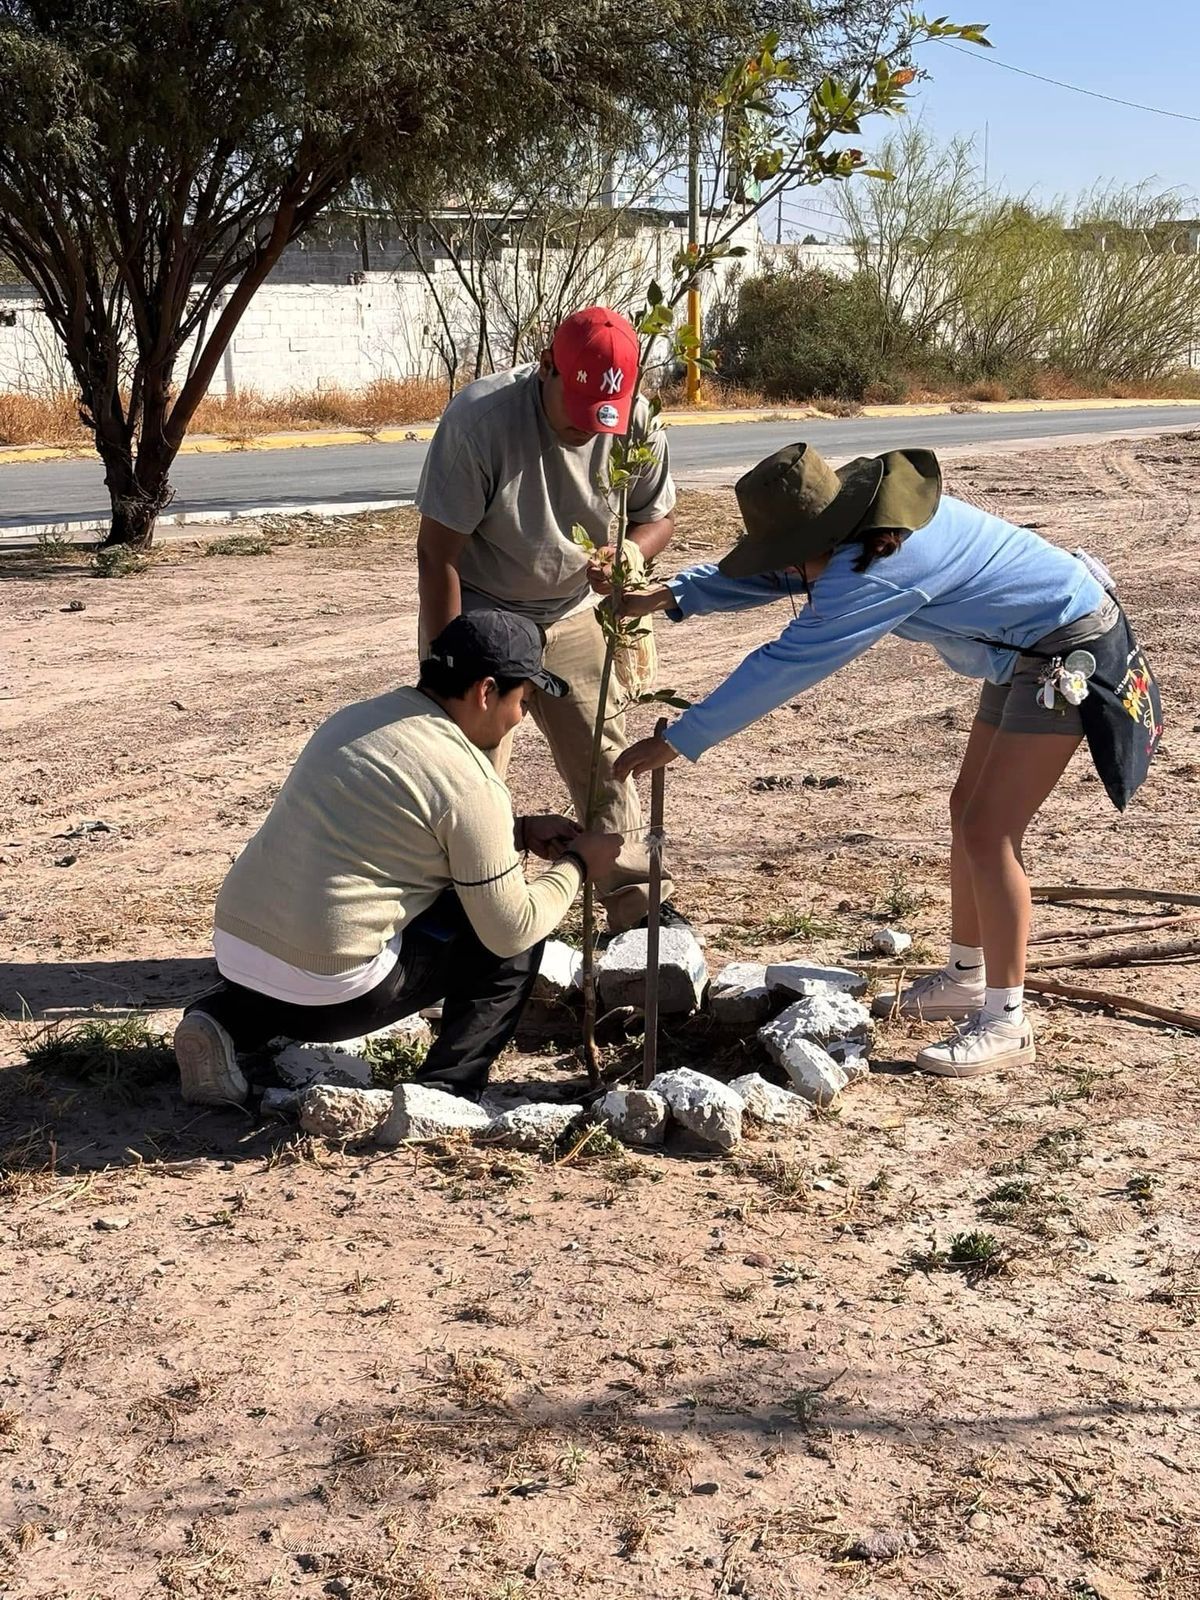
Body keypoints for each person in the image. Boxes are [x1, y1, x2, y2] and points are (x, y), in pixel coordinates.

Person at [606, 442, 1162, 1078]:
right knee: (967, 813)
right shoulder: (856, 526)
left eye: (794, 558)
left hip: (1067, 642)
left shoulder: (877, 570)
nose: (792, 573)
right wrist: (673, 595)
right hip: (1022, 645)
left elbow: (786, 664)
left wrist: (681, 737)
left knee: (990, 830)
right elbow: (780, 574)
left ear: (822, 535)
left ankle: (1008, 1018)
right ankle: (964, 975)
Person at [173, 612, 622, 1106]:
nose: (521, 718)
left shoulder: (358, 719)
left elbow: (391, 835)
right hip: (335, 997)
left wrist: (515, 832)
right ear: (487, 692)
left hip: (236, 955)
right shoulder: (471, 780)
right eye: (524, 701)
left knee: (299, 961)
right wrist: (577, 864)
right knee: (516, 931)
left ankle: (221, 1020)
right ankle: (447, 1089)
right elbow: (511, 927)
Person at [414, 303, 686, 935]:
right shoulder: (481, 421)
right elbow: (437, 553)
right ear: (547, 369)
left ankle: (637, 912)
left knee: (607, 761)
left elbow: (658, 517)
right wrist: (456, 662)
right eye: (578, 411)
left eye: (605, 418)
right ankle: (466, 924)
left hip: (573, 612)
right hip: (483, 609)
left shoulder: (637, 422)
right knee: (468, 775)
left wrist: (631, 554)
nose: (590, 431)